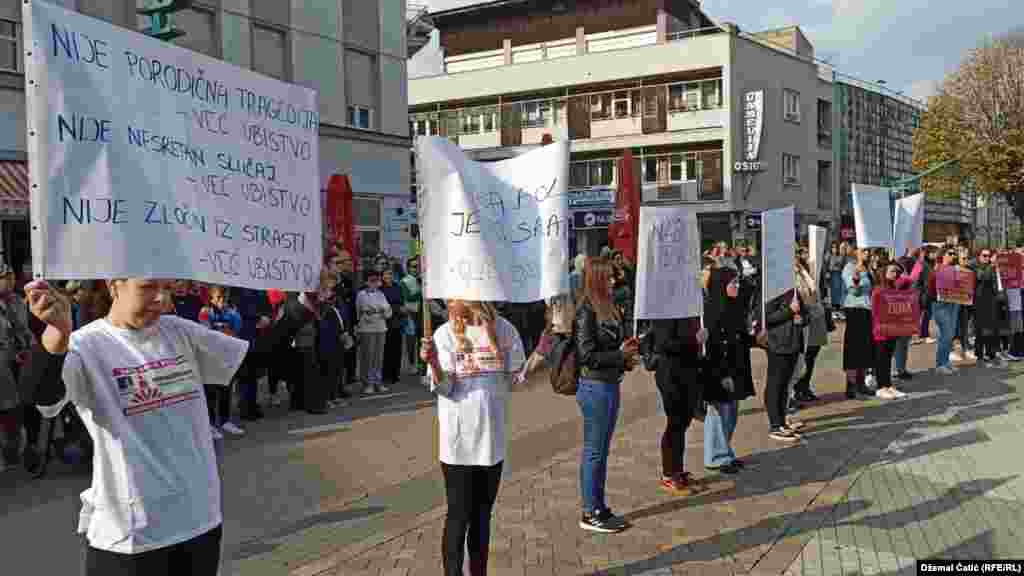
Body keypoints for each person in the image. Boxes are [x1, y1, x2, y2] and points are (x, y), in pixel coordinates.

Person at [21, 278, 249, 575]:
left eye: (167, 288)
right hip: (131, 536)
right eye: (149, 288)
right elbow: (40, 396)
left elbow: (260, 355)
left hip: (199, 521)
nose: (162, 299)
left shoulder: (179, 331)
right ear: (114, 285)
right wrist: (56, 334)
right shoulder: (85, 345)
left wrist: (302, 307)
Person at [420, 300, 525, 576]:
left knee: (481, 518)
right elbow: (445, 388)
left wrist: (542, 351)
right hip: (458, 445)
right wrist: (433, 364)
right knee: (458, 516)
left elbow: (516, 379)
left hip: (492, 442)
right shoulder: (445, 333)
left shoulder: (505, 329)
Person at [574, 257, 639, 533]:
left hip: (609, 383)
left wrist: (626, 356)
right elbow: (586, 354)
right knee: (594, 450)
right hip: (594, 386)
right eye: (610, 277)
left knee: (601, 450)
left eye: (615, 277)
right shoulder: (586, 309)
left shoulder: (609, 307)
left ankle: (598, 505)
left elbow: (610, 348)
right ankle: (590, 511)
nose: (614, 281)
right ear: (598, 279)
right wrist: (619, 355)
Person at [703, 268, 755, 473]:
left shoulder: (733, 307)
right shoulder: (713, 310)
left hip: (736, 366)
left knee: (731, 414)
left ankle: (725, 451)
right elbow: (715, 346)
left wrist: (755, 340)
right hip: (720, 370)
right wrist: (723, 374)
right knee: (719, 414)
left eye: (736, 282)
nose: (737, 286)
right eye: (733, 283)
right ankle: (715, 456)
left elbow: (738, 336)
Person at [649, 308, 705, 492]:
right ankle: (668, 473)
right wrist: (694, 340)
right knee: (675, 423)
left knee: (683, 423)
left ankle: (677, 469)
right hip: (671, 373)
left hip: (688, 371)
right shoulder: (666, 311)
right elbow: (664, 344)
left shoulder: (689, 309)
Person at [871, 258, 923, 398]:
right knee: (881, 358)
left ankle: (888, 385)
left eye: (896, 271)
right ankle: (881, 387)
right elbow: (876, 312)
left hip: (893, 330)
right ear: (884, 273)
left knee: (888, 357)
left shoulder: (894, 288)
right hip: (882, 331)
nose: (896, 274)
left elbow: (909, 280)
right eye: (892, 271)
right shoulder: (878, 290)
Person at [759, 287, 805, 442]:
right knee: (775, 384)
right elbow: (766, 318)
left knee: (784, 385)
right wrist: (790, 312)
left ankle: (782, 421)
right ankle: (775, 424)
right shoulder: (772, 291)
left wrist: (803, 318)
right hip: (777, 344)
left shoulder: (794, 292)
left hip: (793, 343)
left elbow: (804, 313)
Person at [197, 286, 244, 438]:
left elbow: (236, 331)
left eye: (224, 298)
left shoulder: (232, 313)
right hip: (210, 358)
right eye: (218, 298)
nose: (221, 301)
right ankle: (210, 425)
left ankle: (225, 421)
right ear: (211, 299)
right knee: (210, 393)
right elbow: (207, 333)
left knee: (226, 389)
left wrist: (225, 332)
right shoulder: (205, 312)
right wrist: (224, 332)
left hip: (225, 357)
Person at [842, 248, 875, 399]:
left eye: (868, 251)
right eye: (864, 251)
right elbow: (853, 291)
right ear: (856, 252)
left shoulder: (869, 268)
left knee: (866, 347)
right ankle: (851, 385)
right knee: (854, 348)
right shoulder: (850, 267)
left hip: (868, 310)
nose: (867, 254)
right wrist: (857, 279)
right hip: (855, 310)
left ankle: (861, 383)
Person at [356, 270, 392, 395]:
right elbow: (359, 311)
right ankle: (368, 383)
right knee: (368, 356)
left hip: (381, 327)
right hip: (367, 328)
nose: (375, 283)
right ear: (366, 282)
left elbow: (388, 310)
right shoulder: (361, 294)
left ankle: (378, 381)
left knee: (378, 356)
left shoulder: (381, 294)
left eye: (377, 281)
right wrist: (371, 313)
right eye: (372, 281)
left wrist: (382, 311)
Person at [929, 247, 962, 374]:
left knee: (950, 335)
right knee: (946, 334)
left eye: (954, 254)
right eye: (950, 253)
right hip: (940, 305)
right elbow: (930, 288)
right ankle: (940, 364)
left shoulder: (956, 269)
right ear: (942, 255)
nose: (953, 256)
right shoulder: (937, 269)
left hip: (953, 303)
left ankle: (946, 361)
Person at [973, 249, 1005, 368]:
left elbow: (999, 284)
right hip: (981, 303)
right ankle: (980, 356)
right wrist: (991, 265)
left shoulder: (994, 268)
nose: (987, 258)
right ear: (979, 256)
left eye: (989, 256)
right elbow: (983, 277)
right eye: (984, 256)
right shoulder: (977, 266)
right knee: (981, 330)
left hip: (993, 302)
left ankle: (991, 354)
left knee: (993, 329)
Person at [380, 268, 405, 387]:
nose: (388, 276)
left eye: (390, 274)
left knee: (396, 348)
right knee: (386, 349)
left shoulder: (397, 287)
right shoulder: (380, 289)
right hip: (384, 322)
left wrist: (401, 310)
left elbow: (401, 302)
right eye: (386, 274)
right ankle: (385, 374)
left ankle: (395, 374)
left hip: (397, 322)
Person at [401, 257, 423, 375]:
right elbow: (407, 297)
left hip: (421, 312)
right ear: (408, 268)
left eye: (418, 266)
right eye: (414, 266)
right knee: (411, 339)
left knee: (421, 338)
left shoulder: (421, 279)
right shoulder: (405, 280)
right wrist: (421, 292)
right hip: (410, 312)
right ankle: (411, 364)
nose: (416, 269)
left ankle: (420, 363)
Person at [828, 242, 846, 313]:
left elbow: (841, 264)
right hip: (832, 274)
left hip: (838, 274)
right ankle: (833, 305)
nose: (834, 249)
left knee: (838, 289)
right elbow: (828, 266)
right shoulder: (829, 256)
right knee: (833, 290)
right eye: (832, 247)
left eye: (835, 247)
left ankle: (838, 305)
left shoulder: (840, 256)